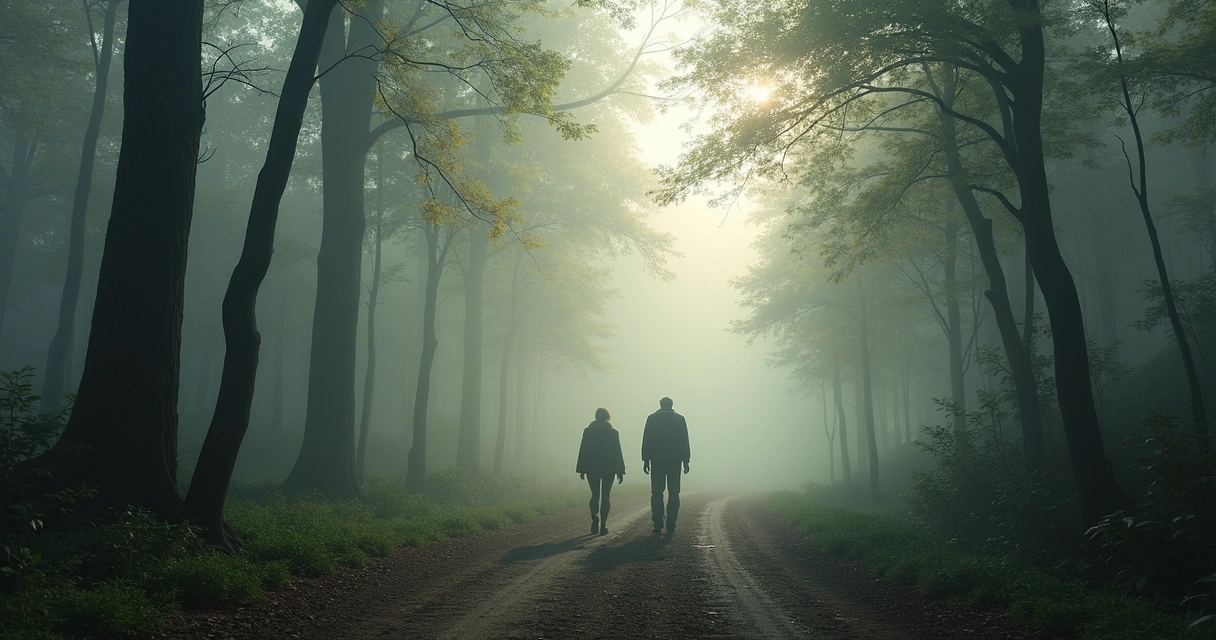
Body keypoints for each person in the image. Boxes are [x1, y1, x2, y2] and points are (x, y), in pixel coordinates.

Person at [641, 396, 690, 534]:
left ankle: (657, 523)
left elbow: (647, 439)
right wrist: (686, 460)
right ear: (672, 405)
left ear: (660, 405)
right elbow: (684, 440)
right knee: (674, 492)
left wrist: (645, 459)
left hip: (657, 460)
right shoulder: (680, 419)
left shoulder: (652, 418)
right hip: (675, 460)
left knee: (657, 492)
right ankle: (671, 523)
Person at [576, 407, 625, 535]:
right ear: (608, 417)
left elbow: (583, 450)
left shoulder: (588, 431)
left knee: (595, 495)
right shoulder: (613, 432)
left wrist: (582, 468)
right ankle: (603, 526)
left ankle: (594, 518)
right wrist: (620, 470)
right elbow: (617, 452)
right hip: (609, 468)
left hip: (591, 467)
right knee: (606, 496)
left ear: (596, 416)